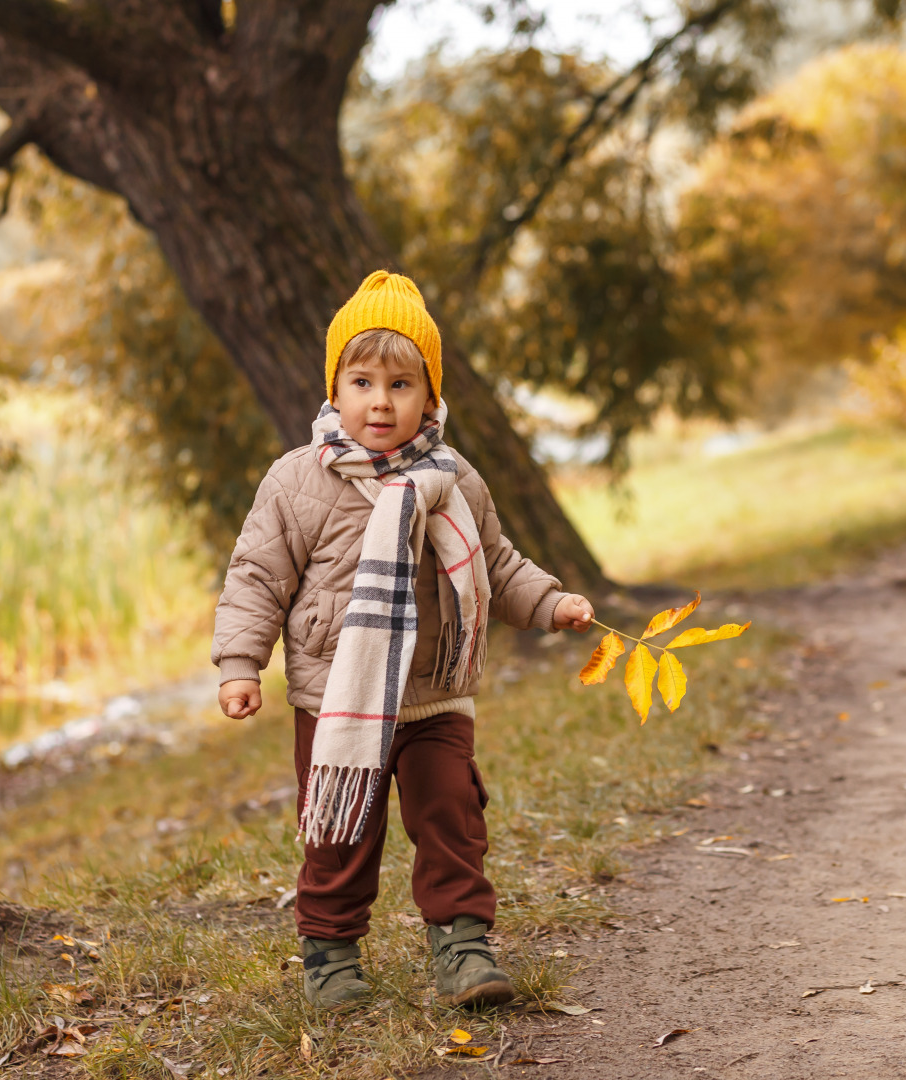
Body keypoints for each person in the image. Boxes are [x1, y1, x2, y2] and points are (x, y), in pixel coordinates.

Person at [212, 270, 595, 1010]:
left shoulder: (454, 481)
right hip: (337, 697)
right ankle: (329, 952)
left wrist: (551, 603)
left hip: (433, 693)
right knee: (338, 830)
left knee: (452, 811)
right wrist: (239, 664)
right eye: (361, 381)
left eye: (400, 384)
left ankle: (462, 944)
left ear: (429, 396)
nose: (380, 401)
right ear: (335, 390)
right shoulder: (298, 482)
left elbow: (497, 563)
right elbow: (255, 576)